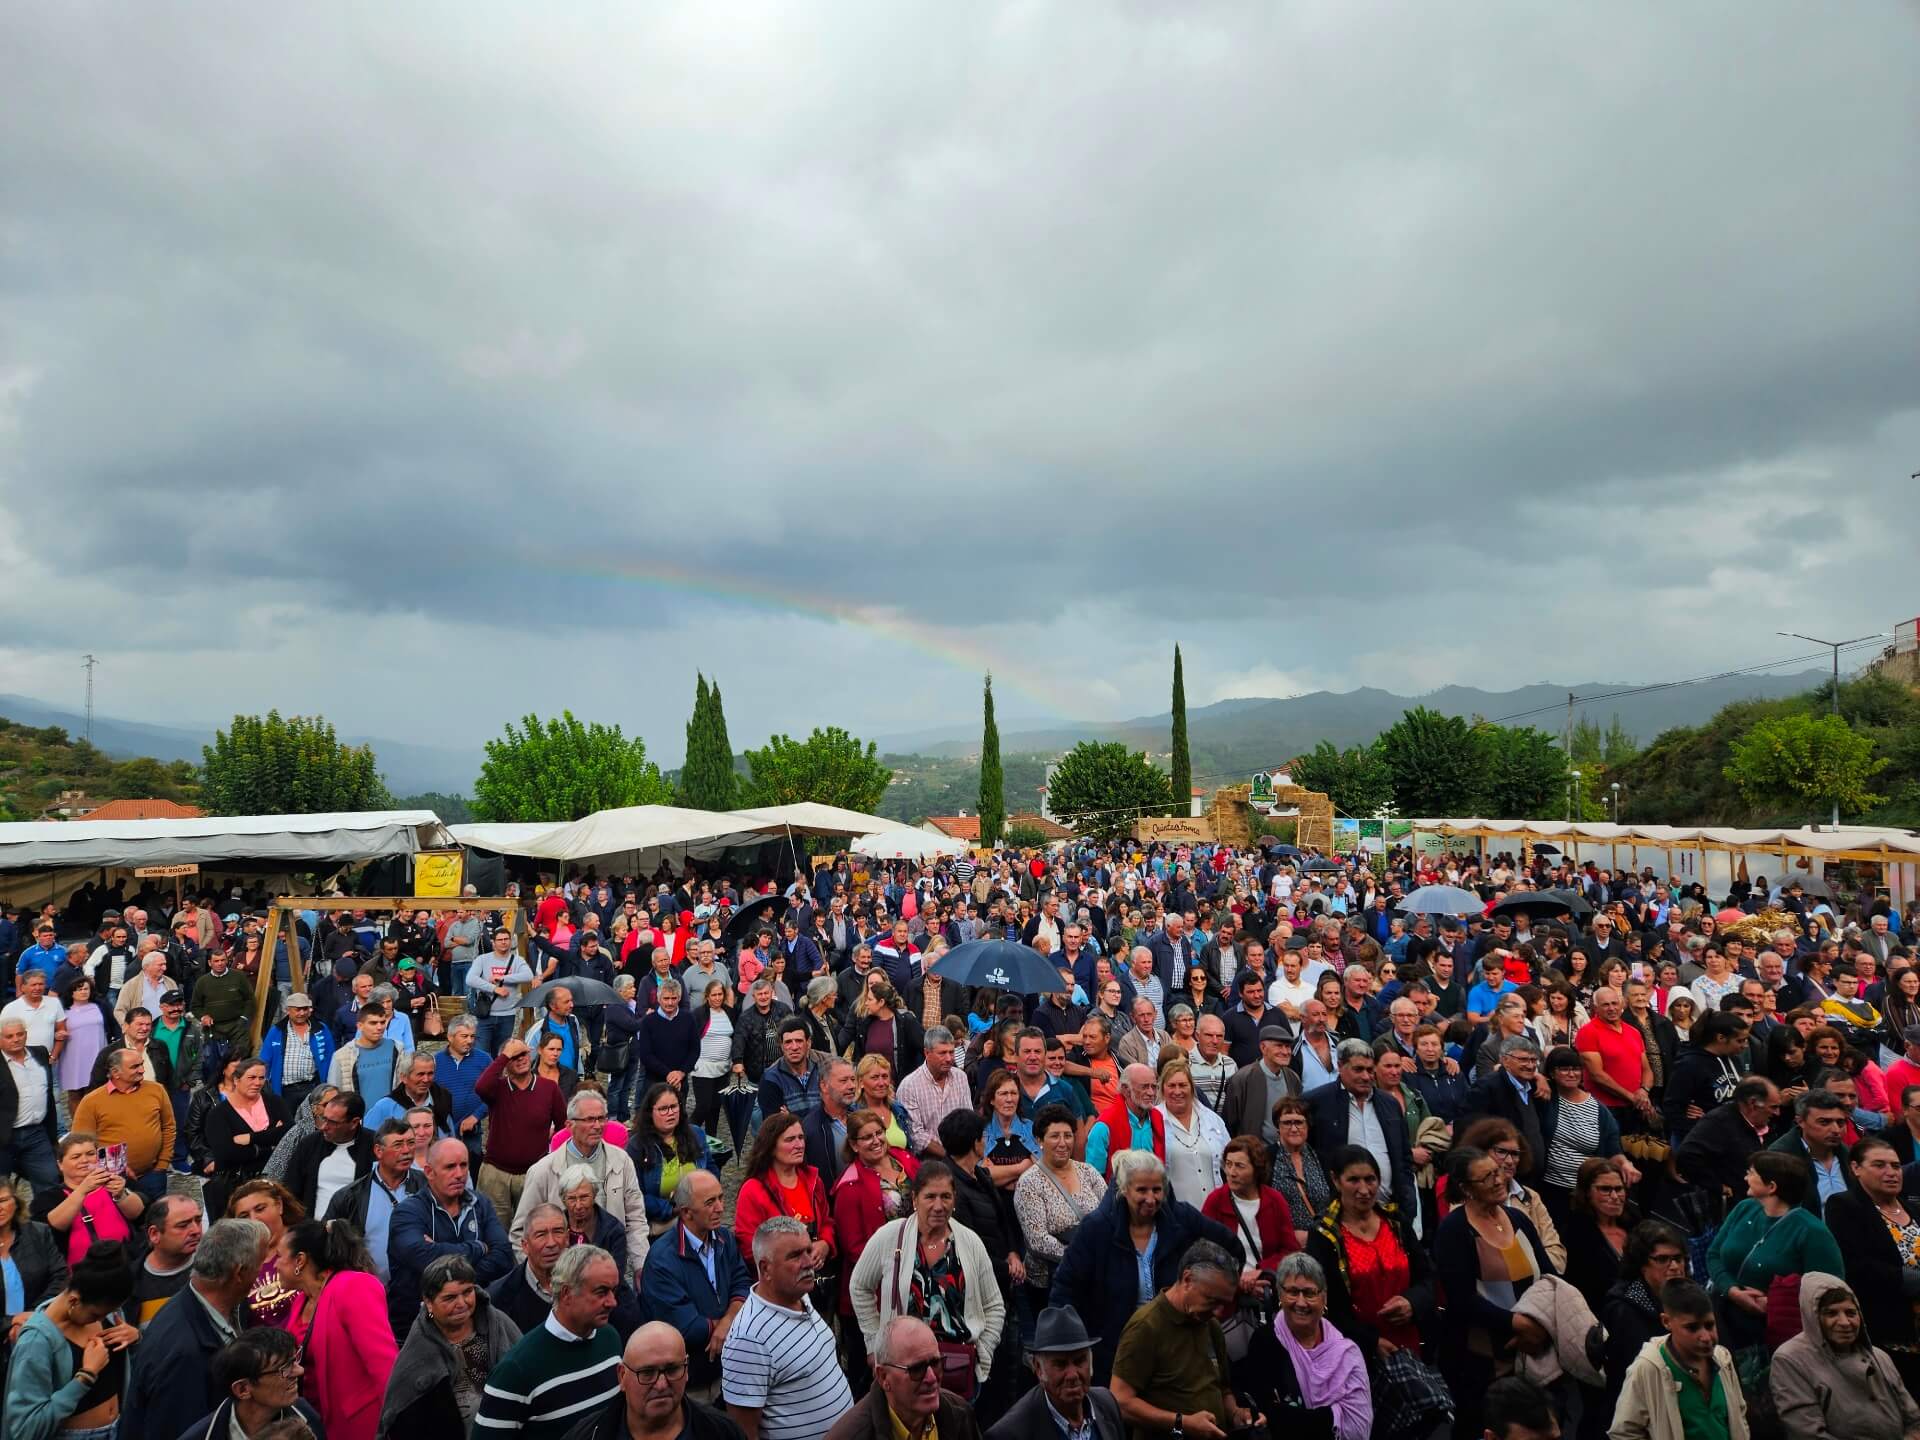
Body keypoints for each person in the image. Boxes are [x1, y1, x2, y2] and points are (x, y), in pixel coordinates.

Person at [1050, 1149, 1241, 1384]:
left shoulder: (1181, 1219)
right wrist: (1066, 1344)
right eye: (1142, 1190)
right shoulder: (1097, 1229)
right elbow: (1066, 1287)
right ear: (1124, 1189)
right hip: (1116, 1353)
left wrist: (1217, 1297)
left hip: (1177, 1348)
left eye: (1157, 1190)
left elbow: (1231, 1248)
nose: (1151, 1199)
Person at [846, 1159, 1005, 1402]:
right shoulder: (890, 1237)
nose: (939, 1206)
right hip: (904, 1370)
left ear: (955, 1199)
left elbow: (994, 1305)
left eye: (946, 1197)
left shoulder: (970, 1242)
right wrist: (874, 1343)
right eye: (930, 1197)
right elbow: (859, 1286)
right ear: (915, 1199)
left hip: (958, 1370)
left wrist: (982, 1351)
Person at [1431, 1148, 1556, 1438]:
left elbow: (1549, 1277)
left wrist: (1537, 1325)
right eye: (1487, 1177)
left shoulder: (1519, 1219)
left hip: (1530, 1350)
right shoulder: (1454, 1230)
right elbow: (1462, 1300)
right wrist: (1517, 1324)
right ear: (1466, 1189)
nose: (1499, 1180)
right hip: (1477, 1359)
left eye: (1497, 1172)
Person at [123, 1218, 272, 1440]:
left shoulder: (221, 1306)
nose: (265, 1269)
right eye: (261, 1262)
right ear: (239, 1273)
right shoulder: (184, 1353)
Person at [1107, 1239, 1264, 1440]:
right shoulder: (1146, 1326)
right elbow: (1120, 1402)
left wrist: (1236, 1414)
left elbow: (1222, 1388)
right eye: (1212, 1300)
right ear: (1187, 1279)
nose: (1218, 1312)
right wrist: (1181, 1423)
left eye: (1224, 1304)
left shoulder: (1210, 1325)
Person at [721, 1215, 856, 1440]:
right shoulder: (748, 1339)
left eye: (808, 1250)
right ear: (765, 1269)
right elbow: (744, 1431)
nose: (808, 1262)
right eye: (795, 1256)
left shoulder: (799, 1295)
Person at [476, 1245, 625, 1440]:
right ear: (566, 1293)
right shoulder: (515, 1370)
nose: (612, 1302)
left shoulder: (610, 1339)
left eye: (614, 1290)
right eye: (601, 1292)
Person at [1302, 1144, 1431, 1362]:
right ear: (1335, 1180)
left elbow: (1426, 1277)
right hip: (1355, 1353)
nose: (1364, 1190)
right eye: (1353, 1180)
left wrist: (1412, 1303)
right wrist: (1370, 1341)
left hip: (1411, 1345)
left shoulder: (1395, 1222)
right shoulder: (1324, 1234)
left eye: (1370, 1179)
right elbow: (1323, 1304)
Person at [1706, 1152, 1845, 1350]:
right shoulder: (1744, 1209)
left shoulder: (1812, 1231)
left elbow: (1830, 1290)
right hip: (1723, 1317)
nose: (1745, 1178)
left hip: (1778, 1336)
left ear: (1771, 1186)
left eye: (1751, 1173)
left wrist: (1773, 1303)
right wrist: (1731, 1290)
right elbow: (1713, 1254)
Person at [278, 1216, 398, 1440]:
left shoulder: (353, 1286)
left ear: (300, 1260)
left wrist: (396, 1426)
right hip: (316, 1422)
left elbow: (384, 1365)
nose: (275, 1264)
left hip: (361, 1423)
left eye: (279, 1257)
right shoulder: (300, 1300)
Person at [379, 1253, 524, 1437]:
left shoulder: (499, 1325)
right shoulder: (418, 1350)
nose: (461, 1303)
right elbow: (400, 1417)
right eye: (450, 1298)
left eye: (467, 1292)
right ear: (429, 1303)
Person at [4, 1240, 136, 1440]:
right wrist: (85, 1376)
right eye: (95, 1315)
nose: (101, 1319)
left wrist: (134, 1336)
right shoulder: (36, 1342)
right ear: (74, 1301)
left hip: (119, 1427)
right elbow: (26, 1430)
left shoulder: (108, 1312)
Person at [510, 1090, 651, 1277]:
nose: (597, 1126)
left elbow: (636, 1218)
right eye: (589, 1119)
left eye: (601, 1118)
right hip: (561, 1277)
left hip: (610, 1271)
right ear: (570, 1125)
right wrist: (540, 1278)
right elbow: (520, 1232)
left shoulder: (621, 1161)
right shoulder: (543, 1170)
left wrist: (641, 1266)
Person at [642, 1171, 752, 1403]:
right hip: (689, 1383)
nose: (721, 1208)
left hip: (729, 1372)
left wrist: (727, 1322)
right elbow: (686, 1327)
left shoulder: (724, 1239)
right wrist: (732, 1323)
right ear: (686, 1212)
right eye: (710, 1202)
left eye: (721, 1198)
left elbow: (742, 1282)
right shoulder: (662, 1259)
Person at [1770, 1272, 1920, 1440]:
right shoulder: (1790, 1360)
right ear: (1813, 1316)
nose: (1844, 1322)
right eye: (1831, 1313)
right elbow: (1807, 1434)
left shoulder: (1879, 1356)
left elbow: (1914, 1419)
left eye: (1850, 1313)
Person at [390, 1137, 514, 1336]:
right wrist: (479, 1248)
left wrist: (453, 1278)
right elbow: (422, 1257)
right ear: (429, 1172)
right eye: (450, 1167)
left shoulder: (480, 1203)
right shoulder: (407, 1212)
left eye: (463, 1165)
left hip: (476, 1324)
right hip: (419, 1328)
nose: (459, 1174)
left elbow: (504, 1256)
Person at [1609, 1279, 1748, 1440]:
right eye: (1692, 1328)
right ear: (1666, 1321)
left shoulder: (1723, 1359)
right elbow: (1623, 1432)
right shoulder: (1648, 1368)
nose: (1705, 1337)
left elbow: (1739, 1413)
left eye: (1709, 1325)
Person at [564, 1319, 748, 1440]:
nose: (661, 1385)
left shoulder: (723, 1433)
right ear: (622, 1376)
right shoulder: (586, 1435)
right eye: (647, 1373)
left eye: (672, 1370)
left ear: (686, 1369)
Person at [1302, 1038, 1418, 1217]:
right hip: (1340, 1213)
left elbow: (1404, 1157)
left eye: (1370, 1070)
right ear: (1340, 1066)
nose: (1366, 1076)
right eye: (1358, 1069)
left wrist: (1408, 1200)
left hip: (1391, 1211)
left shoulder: (1390, 1104)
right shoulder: (1317, 1102)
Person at [824, 1314, 985, 1440]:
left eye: (936, 1363)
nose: (931, 1378)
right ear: (883, 1377)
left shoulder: (960, 1414)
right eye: (916, 1369)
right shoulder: (850, 1435)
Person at [1012, 1103, 1105, 1315]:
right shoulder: (1029, 1182)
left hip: (1094, 1276)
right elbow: (1037, 1240)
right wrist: (1081, 1258)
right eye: (1054, 1136)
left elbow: (1111, 1215)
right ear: (1039, 1140)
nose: (1063, 1143)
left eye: (1068, 1136)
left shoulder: (1088, 1172)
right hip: (1051, 1282)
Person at [984, 1305, 1125, 1440]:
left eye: (1079, 1361)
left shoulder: (1107, 1404)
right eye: (1060, 1364)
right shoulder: (1011, 1433)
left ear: (1091, 1361)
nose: (1072, 1375)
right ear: (1038, 1368)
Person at [1600, 1221, 1692, 1422]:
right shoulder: (1623, 1310)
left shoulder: (1692, 1297)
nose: (1675, 1267)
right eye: (1662, 1259)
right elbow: (1635, 1377)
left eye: (1678, 1258)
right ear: (1641, 1265)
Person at [474, 1035, 569, 1223]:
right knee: (492, 1226)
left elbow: (563, 1128)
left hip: (534, 1173)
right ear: (505, 1061)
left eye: (524, 1054)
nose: (521, 1059)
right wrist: (504, 1056)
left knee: (533, 1226)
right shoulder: (498, 1088)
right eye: (514, 1056)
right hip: (496, 1173)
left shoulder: (549, 1088)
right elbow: (480, 1087)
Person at [177, 1326, 326, 1440]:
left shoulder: (306, 1416)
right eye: (285, 1368)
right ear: (243, 1389)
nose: (300, 1371)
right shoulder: (199, 1436)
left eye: (294, 1361)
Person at [731, 1111, 834, 1274]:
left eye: (801, 1137)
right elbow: (748, 1244)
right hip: (778, 1279)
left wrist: (825, 1244)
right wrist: (790, 1261)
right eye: (790, 1139)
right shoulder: (753, 1190)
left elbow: (827, 1222)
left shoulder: (813, 1180)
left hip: (817, 1278)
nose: (799, 1145)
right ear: (771, 1147)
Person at [69, 1045, 175, 1202]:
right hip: (112, 1180)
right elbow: (81, 1144)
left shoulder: (157, 1090)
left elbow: (169, 1127)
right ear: (115, 1073)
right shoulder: (91, 1101)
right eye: (135, 1067)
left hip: (154, 1174)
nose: (142, 1070)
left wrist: (162, 1164)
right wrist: (111, 1170)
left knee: (157, 1215)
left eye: (141, 1064)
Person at [322, 1118, 423, 1284]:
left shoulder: (429, 1187)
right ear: (378, 1151)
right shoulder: (350, 1196)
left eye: (411, 1143)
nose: (407, 1150)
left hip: (420, 1290)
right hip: (367, 1290)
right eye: (398, 1145)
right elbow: (327, 1242)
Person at [30, 1130, 144, 1266]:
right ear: (60, 1165)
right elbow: (52, 1227)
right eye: (76, 1157)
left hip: (126, 1261)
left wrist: (121, 1194)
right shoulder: (48, 1197)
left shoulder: (116, 1181)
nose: (84, 1160)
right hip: (80, 1270)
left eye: (90, 1154)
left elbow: (139, 1213)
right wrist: (82, 1190)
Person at [1202, 1135, 1298, 1292]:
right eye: (1228, 1164)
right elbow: (1204, 1254)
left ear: (1256, 1169)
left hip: (1268, 1289)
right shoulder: (1216, 1201)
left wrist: (1262, 1272)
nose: (1232, 1172)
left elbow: (1290, 1251)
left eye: (1239, 1166)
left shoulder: (1275, 1200)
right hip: (1227, 1293)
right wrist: (1237, 1281)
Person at [627, 1083, 720, 1241]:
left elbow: (712, 1171)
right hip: (661, 1229)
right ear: (650, 1112)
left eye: (674, 1107)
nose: (670, 1113)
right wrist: (672, 1209)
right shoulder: (637, 1146)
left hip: (699, 1220)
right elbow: (635, 1194)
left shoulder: (696, 1134)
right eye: (663, 1109)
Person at [205, 1057, 294, 1217]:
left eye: (261, 1078)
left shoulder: (274, 1102)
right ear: (236, 1080)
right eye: (251, 1077)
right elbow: (227, 1154)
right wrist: (272, 1143)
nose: (257, 1083)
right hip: (236, 1185)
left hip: (274, 1182)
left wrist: (251, 1138)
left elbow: (290, 1134)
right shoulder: (218, 1114)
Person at [0, 1175, 67, 1387]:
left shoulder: (38, 1232)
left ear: (16, 1202)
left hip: (40, 1330)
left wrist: (32, 1317)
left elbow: (60, 1276)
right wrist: (9, 1322)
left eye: (3, 1200)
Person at [225, 1179, 306, 1329]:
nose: (254, 1220)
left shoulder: (309, 1242)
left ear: (279, 1205)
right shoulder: (235, 1266)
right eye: (244, 1216)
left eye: (260, 1209)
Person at [286, 1088, 374, 1220]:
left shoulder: (373, 1146)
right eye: (324, 1118)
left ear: (354, 1123)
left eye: (332, 1122)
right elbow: (291, 1190)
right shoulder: (310, 1144)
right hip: (314, 1227)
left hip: (354, 1229)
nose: (324, 1127)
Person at [0, 1018, 61, 1191]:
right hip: (4, 1139)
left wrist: (52, 1136)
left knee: (50, 1182)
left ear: (26, 1034)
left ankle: (44, 1210)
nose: (16, 1039)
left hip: (36, 1134)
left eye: (20, 1034)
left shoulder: (40, 1053)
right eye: (9, 1036)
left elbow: (48, 1096)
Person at [1157, 1060, 1229, 1208]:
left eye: (1183, 1085)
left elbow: (1229, 1161)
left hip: (1214, 1211)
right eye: (1171, 1085)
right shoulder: (1153, 1120)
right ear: (1163, 1088)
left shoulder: (1212, 1119)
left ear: (1192, 1087)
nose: (1177, 1091)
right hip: (1174, 1213)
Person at [897, 1025, 972, 1158]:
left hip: (962, 1155)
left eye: (951, 1052)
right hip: (926, 1161)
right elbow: (915, 1135)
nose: (949, 1058)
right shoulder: (909, 1086)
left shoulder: (960, 1077)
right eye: (942, 1053)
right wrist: (949, 1158)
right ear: (927, 1053)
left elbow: (968, 1119)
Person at [129, 1193, 203, 1325]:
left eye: (198, 1220)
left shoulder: (215, 1268)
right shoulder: (129, 1283)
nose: (196, 1230)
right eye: (183, 1225)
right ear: (154, 1234)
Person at [1269, 1095, 1333, 1246]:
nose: (1293, 1129)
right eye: (1287, 1123)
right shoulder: (1266, 1159)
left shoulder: (1322, 1159)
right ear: (1278, 1126)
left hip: (1321, 1243)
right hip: (1282, 1244)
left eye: (1298, 1122)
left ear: (1308, 1125)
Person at [259, 992, 334, 1117]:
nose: (302, 1013)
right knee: (287, 1123)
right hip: (285, 1090)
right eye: (297, 1009)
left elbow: (330, 1057)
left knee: (311, 1122)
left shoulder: (321, 1029)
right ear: (288, 1010)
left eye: (305, 1009)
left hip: (311, 1087)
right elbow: (265, 1059)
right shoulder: (276, 1031)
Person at [54, 974, 109, 1113]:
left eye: (86, 989)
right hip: (73, 1058)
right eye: (79, 989)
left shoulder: (100, 1006)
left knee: (96, 1092)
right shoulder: (63, 1011)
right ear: (71, 992)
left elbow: (112, 1026)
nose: (83, 992)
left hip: (97, 1055)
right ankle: (77, 1124)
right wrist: (57, 1035)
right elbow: (55, 1031)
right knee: (75, 1094)